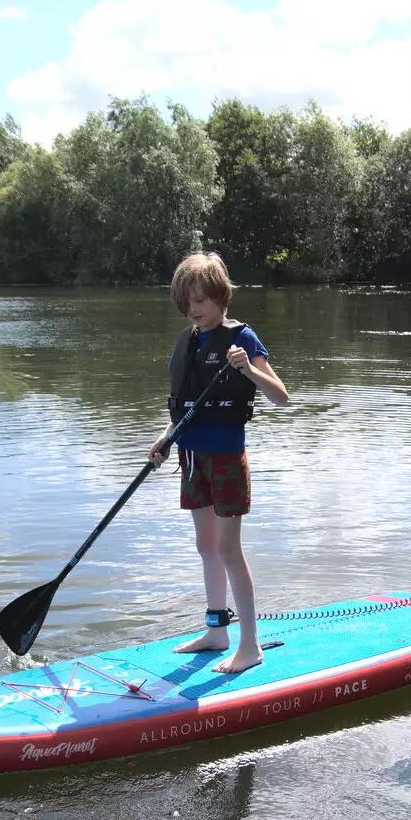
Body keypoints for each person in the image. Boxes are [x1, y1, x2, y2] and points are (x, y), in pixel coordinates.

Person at [148, 252, 289, 673]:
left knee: (228, 548)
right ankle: (216, 631)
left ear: (220, 297)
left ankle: (250, 646)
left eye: (201, 299)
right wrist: (166, 437)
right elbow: (185, 406)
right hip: (192, 458)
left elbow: (280, 396)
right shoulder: (189, 342)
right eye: (187, 301)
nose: (194, 308)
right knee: (206, 546)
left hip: (226, 457)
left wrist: (249, 370)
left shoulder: (242, 339)